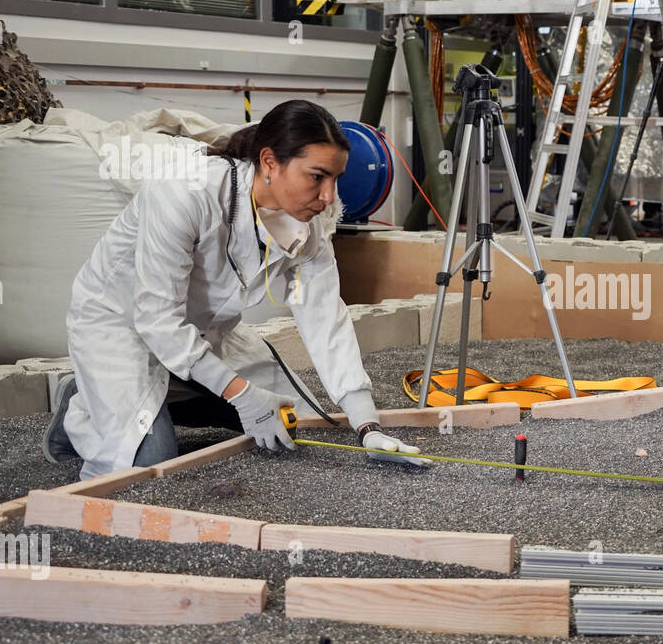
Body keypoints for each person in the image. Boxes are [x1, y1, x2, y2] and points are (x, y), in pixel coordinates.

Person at [44, 99, 428, 479]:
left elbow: (325, 317)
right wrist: (242, 394)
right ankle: (82, 404)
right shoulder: (184, 193)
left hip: (201, 332)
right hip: (121, 326)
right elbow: (157, 321)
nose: (329, 196)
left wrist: (368, 426)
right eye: (317, 176)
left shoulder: (306, 221)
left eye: (335, 179)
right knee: (146, 464)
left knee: (293, 421)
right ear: (269, 162)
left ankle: (146, 397)